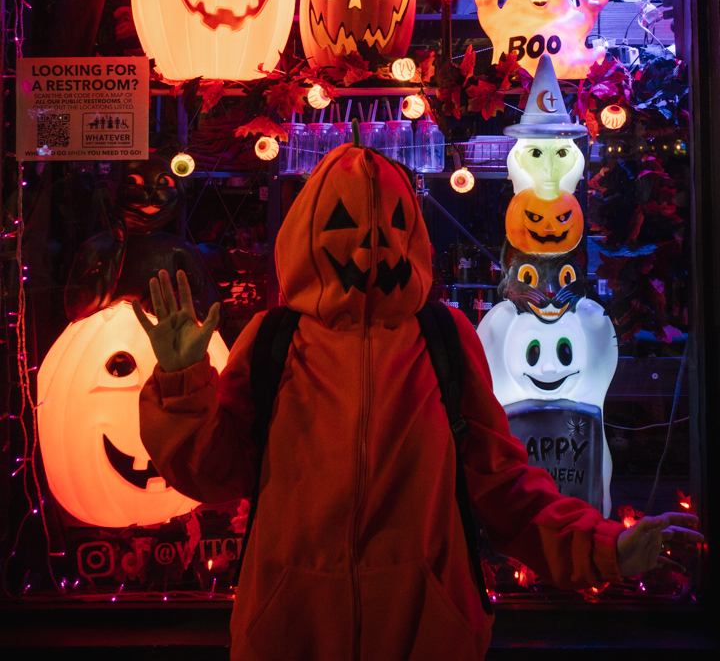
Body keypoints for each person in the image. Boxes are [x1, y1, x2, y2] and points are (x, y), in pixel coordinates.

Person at [135, 144, 702, 661]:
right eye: (342, 224)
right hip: (290, 631)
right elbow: (215, 474)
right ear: (307, 230)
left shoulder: (444, 339)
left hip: (428, 635)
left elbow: (504, 488)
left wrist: (610, 547)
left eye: (391, 227)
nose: (368, 246)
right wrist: (184, 381)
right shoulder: (273, 340)